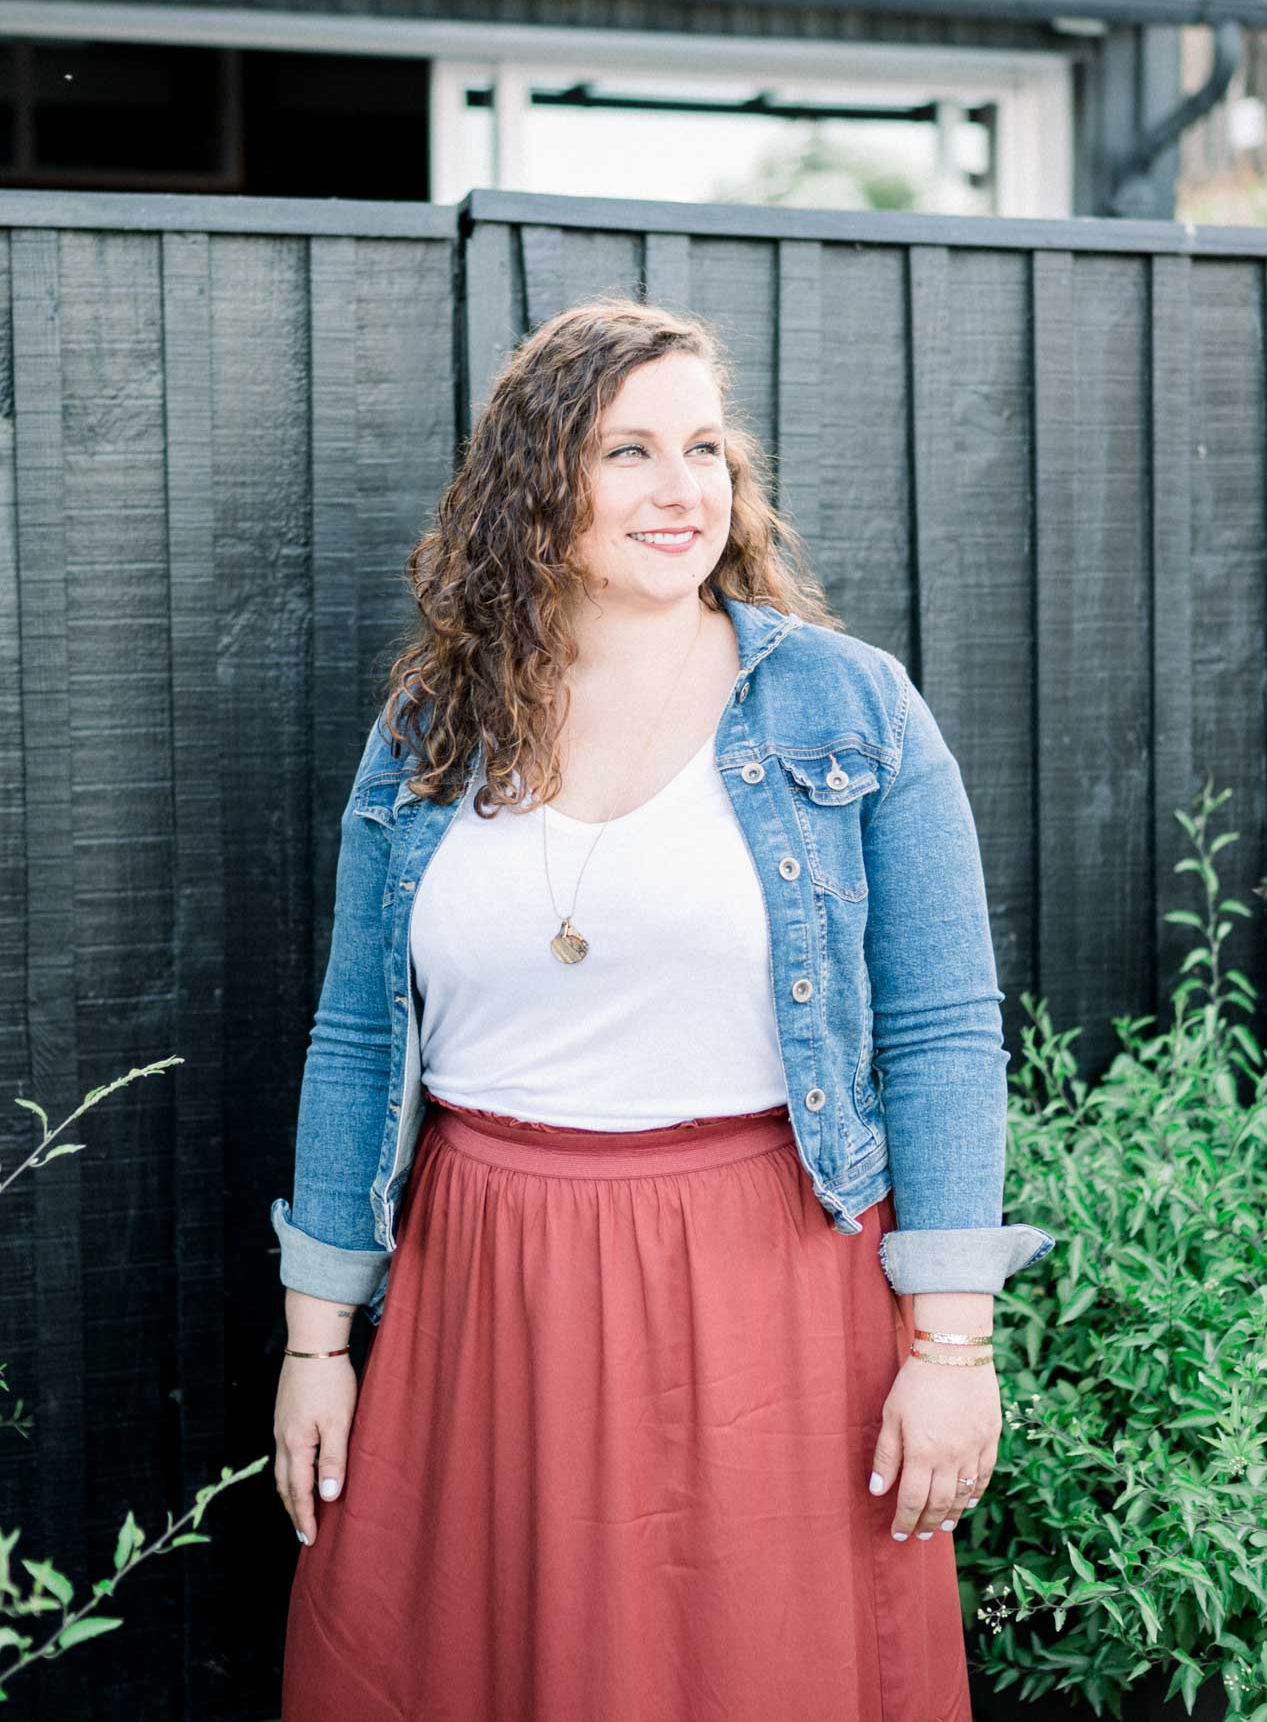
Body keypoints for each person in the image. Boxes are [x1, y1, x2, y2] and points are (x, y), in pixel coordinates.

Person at [269, 295, 1056, 1721]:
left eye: (706, 448)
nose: (684, 488)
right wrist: (317, 1344)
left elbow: (945, 1029)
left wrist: (953, 1347)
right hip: (485, 1289)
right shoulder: (431, 726)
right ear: (539, 481)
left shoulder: (848, 705)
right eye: (630, 451)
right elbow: (357, 1039)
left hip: (764, 1279)